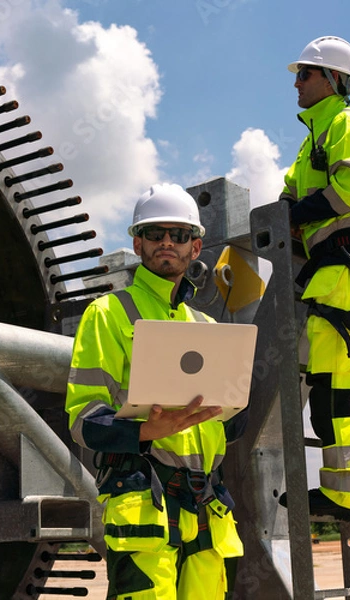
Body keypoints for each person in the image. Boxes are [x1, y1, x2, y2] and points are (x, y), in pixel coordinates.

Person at [66, 183, 245, 600]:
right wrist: (147, 430)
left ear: (195, 246)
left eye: (178, 235)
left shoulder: (209, 328)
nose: (166, 242)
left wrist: (234, 408)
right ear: (137, 242)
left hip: (207, 509)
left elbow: (232, 427)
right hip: (144, 501)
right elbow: (83, 422)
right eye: (154, 233)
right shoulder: (109, 313)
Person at [278, 36, 350, 527]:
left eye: (306, 73)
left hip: (348, 257)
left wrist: (294, 216)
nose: (297, 83)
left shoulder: (347, 125)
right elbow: (287, 199)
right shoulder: (312, 141)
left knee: (332, 378)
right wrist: (284, 215)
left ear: (334, 80)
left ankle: (344, 494)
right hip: (336, 261)